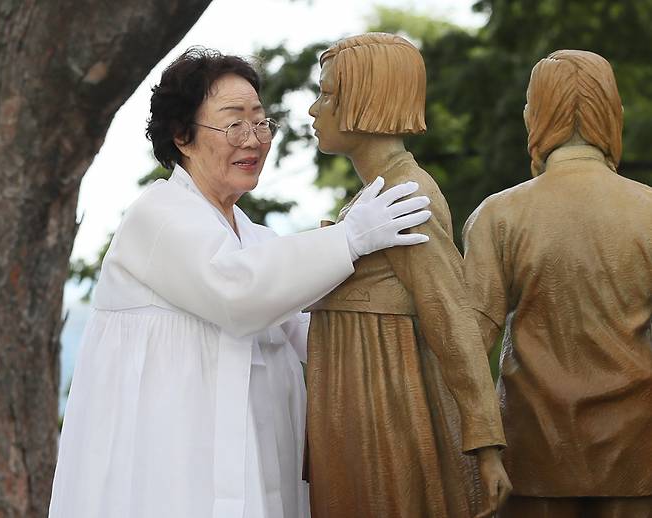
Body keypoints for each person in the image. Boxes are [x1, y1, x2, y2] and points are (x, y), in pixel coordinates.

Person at [48, 47, 434, 518]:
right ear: (182, 136)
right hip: (168, 479)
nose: (253, 139)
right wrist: (348, 240)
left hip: (258, 479)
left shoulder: (255, 238)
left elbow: (317, 340)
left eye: (260, 122)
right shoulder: (157, 217)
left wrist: (408, 338)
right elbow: (237, 294)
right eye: (233, 123)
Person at [304, 33, 510, 518]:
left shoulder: (406, 195)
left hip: (384, 408)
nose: (315, 110)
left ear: (366, 101)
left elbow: (449, 316)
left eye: (327, 94)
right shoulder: (375, 196)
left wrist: (484, 442)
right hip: (360, 402)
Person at [463, 50, 652, 518]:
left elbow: (468, 347)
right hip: (639, 454)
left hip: (533, 454)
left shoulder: (498, 215)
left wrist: (481, 449)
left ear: (536, 116)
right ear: (615, 114)